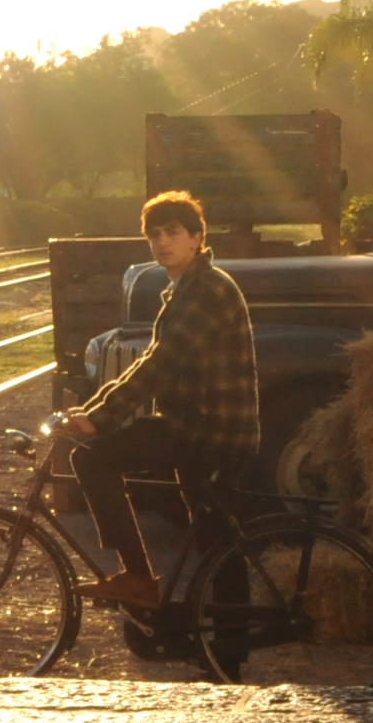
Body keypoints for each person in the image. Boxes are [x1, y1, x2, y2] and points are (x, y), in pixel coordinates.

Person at [56, 189, 259, 610]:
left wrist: (100, 417)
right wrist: (99, 410)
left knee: (94, 458)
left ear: (197, 237)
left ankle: (139, 579)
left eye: (173, 232)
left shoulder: (206, 290)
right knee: (214, 537)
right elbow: (155, 359)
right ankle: (224, 648)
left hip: (209, 431)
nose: (162, 242)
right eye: (154, 235)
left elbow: (162, 362)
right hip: (197, 424)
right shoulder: (187, 288)